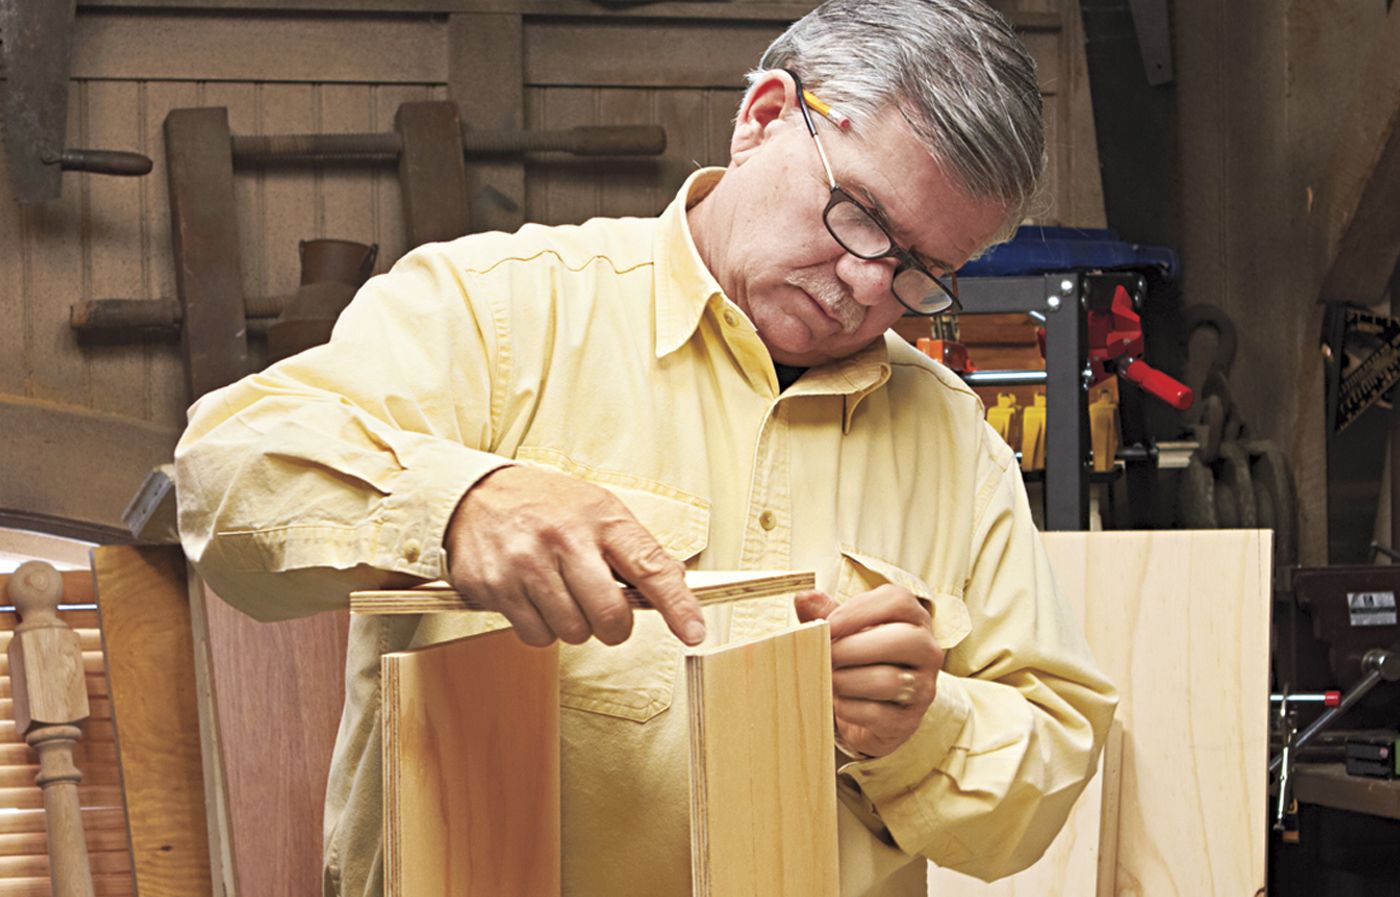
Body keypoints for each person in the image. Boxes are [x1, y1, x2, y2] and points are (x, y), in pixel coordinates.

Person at [175, 1, 1117, 895]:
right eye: (861, 215)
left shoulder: (954, 441)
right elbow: (225, 476)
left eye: (922, 270)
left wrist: (921, 727)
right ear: (764, 115)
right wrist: (460, 503)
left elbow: (1049, 765)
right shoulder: (502, 309)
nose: (868, 285)